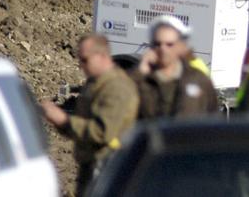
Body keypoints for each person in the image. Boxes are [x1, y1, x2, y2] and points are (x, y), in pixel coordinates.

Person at [40, 34, 139, 196]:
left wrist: (64, 120)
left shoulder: (117, 87)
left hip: (109, 167)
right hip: (90, 164)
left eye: (85, 60)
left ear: (102, 56)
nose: (81, 66)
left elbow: (103, 132)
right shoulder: (95, 84)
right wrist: (61, 123)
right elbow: (83, 125)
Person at [133, 16, 219, 119]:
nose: (163, 49)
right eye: (157, 44)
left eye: (169, 44)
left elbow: (214, 118)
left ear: (180, 46)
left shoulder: (198, 79)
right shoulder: (140, 80)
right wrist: (139, 73)